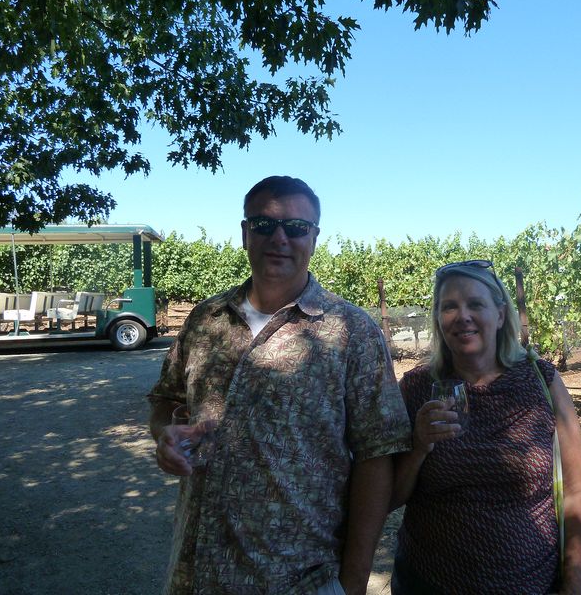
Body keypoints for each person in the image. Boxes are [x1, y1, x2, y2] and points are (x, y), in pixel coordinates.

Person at [148, 176, 411, 595]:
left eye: (297, 227)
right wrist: (164, 434)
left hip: (299, 579)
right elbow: (166, 401)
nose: (280, 238)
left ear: (315, 237)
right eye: (265, 225)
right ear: (245, 233)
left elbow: (376, 457)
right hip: (194, 574)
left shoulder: (351, 332)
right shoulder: (205, 320)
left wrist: (353, 580)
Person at [390, 260, 581, 595]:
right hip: (427, 584)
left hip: (530, 584)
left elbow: (578, 493)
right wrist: (419, 446)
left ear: (500, 315)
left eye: (475, 304)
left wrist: (571, 587)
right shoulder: (415, 388)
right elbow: (389, 498)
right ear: (439, 320)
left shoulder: (541, 381)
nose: (462, 316)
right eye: (449, 307)